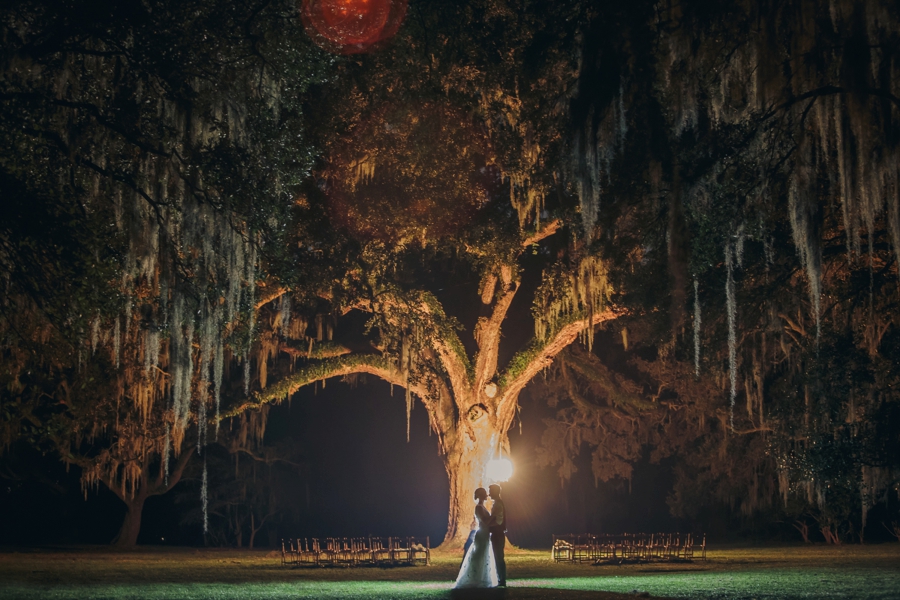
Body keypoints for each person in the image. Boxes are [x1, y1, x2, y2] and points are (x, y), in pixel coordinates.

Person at [453, 488, 498, 588]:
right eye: (485, 493)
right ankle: (475, 578)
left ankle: (482, 578)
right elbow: (485, 522)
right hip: (481, 534)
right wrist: (494, 516)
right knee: (479, 556)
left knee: (483, 556)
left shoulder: (482, 507)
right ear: (481, 495)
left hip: (485, 534)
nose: (487, 495)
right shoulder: (478, 507)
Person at [488, 483, 507, 587]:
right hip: (496, 533)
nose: (489, 494)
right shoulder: (497, 503)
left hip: (498, 534)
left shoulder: (498, 504)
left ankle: (502, 579)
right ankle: (500, 578)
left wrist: (487, 525)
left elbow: (498, 521)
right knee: (497, 556)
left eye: (490, 491)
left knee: (499, 556)